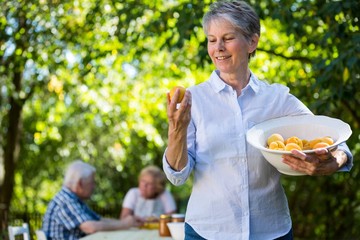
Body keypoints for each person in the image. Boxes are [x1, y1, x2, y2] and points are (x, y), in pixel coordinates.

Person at [162, 1, 353, 239]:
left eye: (228, 38)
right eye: (212, 40)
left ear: (252, 42)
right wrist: (176, 131)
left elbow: (333, 138)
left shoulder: (276, 98)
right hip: (208, 231)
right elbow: (177, 176)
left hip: (271, 230)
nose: (218, 48)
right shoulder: (195, 100)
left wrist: (336, 160)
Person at [42, 160, 142, 240]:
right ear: (80, 183)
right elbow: (91, 227)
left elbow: (98, 220)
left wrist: (128, 222)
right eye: (91, 183)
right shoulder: (65, 201)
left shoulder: (74, 199)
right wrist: (124, 224)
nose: (94, 187)